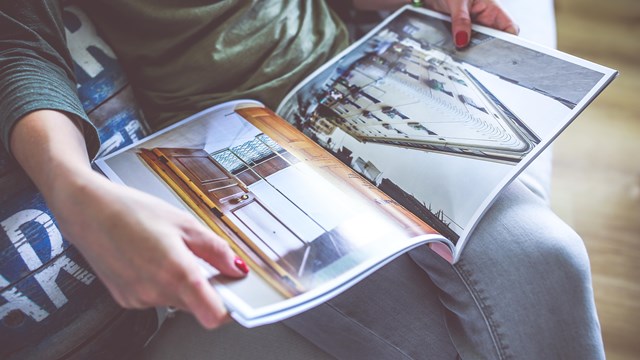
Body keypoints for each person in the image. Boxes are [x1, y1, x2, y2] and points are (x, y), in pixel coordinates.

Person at [0, 0, 605, 358]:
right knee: (427, 338)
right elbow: (18, 42)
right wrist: (73, 187)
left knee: (550, 257)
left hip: (352, 70)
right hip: (228, 138)